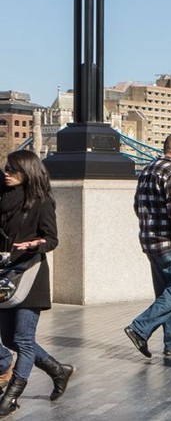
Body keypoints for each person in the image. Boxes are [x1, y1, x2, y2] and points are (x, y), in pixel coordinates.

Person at [0, 151, 74, 414]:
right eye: (6, 168)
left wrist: (35, 243)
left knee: (24, 339)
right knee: (10, 339)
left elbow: (52, 239)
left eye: (12, 169)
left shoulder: (41, 203)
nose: (6, 172)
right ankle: (58, 370)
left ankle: (10, 397)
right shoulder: (3, 199)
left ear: (27, 171)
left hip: (30, 275)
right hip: (5, 277)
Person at [126, 134, 171, 360]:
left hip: (150, 241)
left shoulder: (148, 169)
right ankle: (140, 328)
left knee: (166, 293)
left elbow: (138, 205)